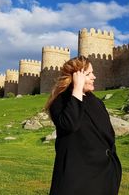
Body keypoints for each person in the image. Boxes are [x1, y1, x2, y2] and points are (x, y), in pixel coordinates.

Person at [45, 56, 122, 195]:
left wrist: (114, 169)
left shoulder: (97, 102)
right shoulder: (60, 102)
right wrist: (77, 89)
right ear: (76, 77)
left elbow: (108, 138)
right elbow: (69, 124)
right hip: (77, 180)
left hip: (104, 177)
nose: (94, 77)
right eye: (88, 74)